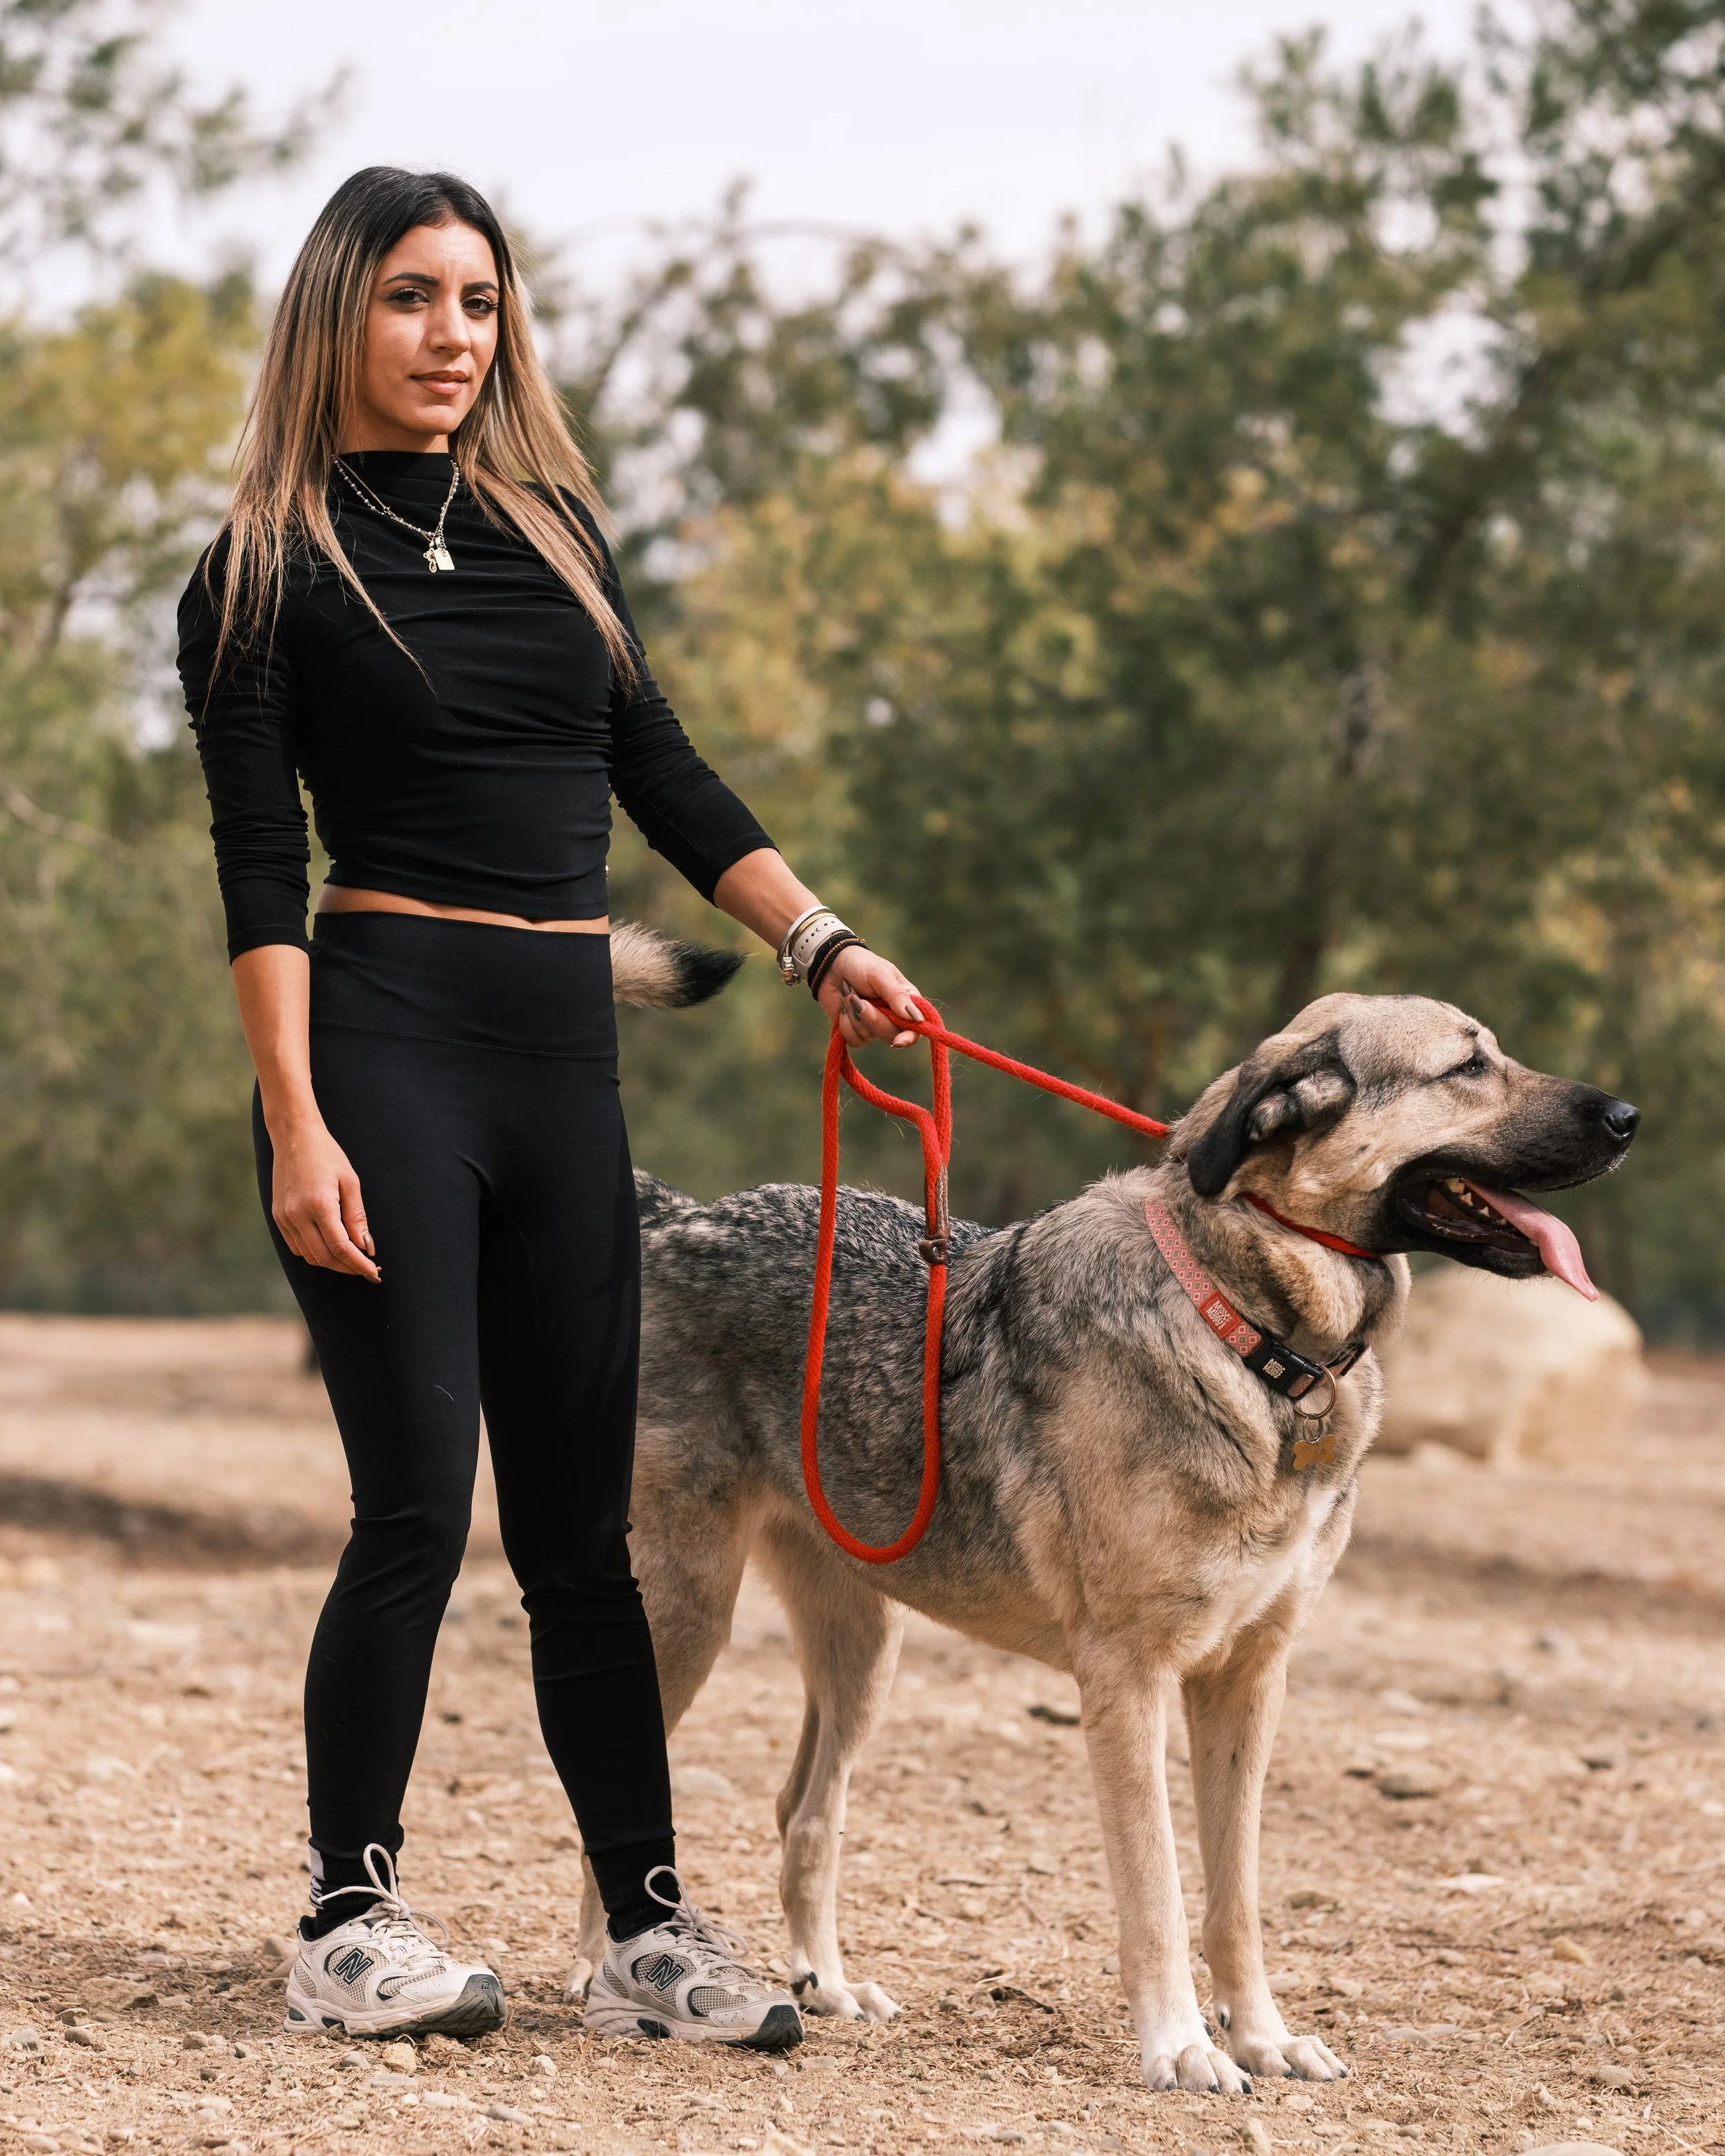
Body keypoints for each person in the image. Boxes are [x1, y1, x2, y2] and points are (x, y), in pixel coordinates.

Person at [176, 166, 923, 2053]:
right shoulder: (261, 567)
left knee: (583, 1529)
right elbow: (260, 861)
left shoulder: (557, 532)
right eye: (415, 298)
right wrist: (294, 1119)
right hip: (387, 1044)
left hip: (558, 1065)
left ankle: (647, 1937)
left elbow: (659, 768)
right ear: (338, 312)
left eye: (481, 304)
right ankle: (347, 1920)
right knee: (418, 1503)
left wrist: (816, 937)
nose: (454, 336)